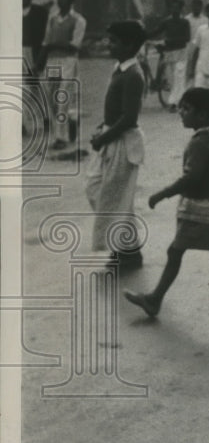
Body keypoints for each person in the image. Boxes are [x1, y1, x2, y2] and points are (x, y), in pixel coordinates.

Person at [123, 87, 209, 325]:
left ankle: (155, 300)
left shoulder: (200, 141)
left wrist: (162, 194)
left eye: (186, 109)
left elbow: (191, 178)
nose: (180, 113)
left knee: (182, 253)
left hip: (199, 212)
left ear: (202, 115)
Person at [85, 21, 147, 267]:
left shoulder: (134, 74)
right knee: (99, 190)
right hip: (112, 135)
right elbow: (115, 110)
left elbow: (130, 118)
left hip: (123, 141)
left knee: (114, 196)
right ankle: (129, 249)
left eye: (113, 41)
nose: (107, 44)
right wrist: (102, 127)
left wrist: (104, 138)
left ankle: (126, 252)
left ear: (129, 44)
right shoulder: (120, 68)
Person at [36, 0, 87, 149]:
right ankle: (72, 119)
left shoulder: (79, 20)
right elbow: (45, 42)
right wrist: (39, 62)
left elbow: (74, 46)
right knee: (50, 95)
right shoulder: (52, 19)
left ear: (71, 1)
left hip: (68, 61)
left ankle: (61, 137)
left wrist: (54, 44)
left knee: (62, 97)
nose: (60, 2)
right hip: (53, 61)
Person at [150, 0, 191, 112]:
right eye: (172, 8)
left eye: (177, 8)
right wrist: (143, 35)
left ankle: (175, 103)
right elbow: (156, 32)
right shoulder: (166, 22)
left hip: (181, 53)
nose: (174, 10)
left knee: (179, 77)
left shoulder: (184, 22)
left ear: (181, 9)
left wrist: (168, 41)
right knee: (172, 79)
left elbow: (186, 38)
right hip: (169, 54)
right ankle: (177, 101)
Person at [21, 0, 49, 137]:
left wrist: (40, 58)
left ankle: (45, 117)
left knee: (37, 86)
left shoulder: (39, 12)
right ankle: (22, 123)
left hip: (33, 52)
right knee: (21, 87)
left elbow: (44, 35)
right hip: (17, 52)